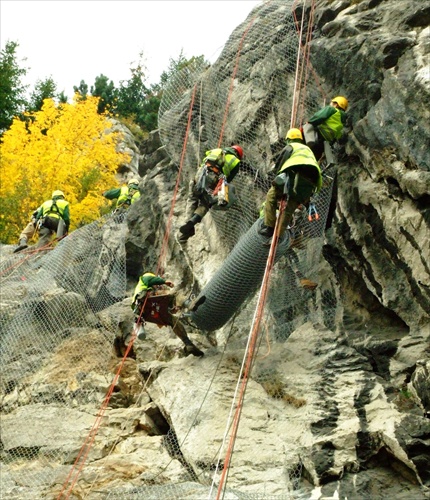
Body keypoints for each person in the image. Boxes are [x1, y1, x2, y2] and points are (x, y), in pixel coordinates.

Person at [259, 128, 322, 239]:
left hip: (295, 176)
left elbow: (280, 164)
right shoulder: (308, 150)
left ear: (289, 139)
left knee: (271, 195)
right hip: (310, 184)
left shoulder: (291, 147)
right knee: (289, 209)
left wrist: (275, 179)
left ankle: (269, 228)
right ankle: (278, 237)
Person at [178, 144, 243, 243]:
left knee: (192, 198)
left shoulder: (217, 150)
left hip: (201, 174)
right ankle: (193, 221)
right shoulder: (236, 161)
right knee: (205, 203)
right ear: (238, 155)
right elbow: (227, 180)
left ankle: (187, 226)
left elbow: (204, 160)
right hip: (215, 179)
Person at [131, 272, 204, 357]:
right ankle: (189, 304)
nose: (157, 287)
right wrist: (164, 282)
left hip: (146, 314)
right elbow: (151, 280)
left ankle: (188, 344)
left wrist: (172, 309)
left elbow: (164, 307)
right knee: (175, 293)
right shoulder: (145, 278)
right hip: (143, 299)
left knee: (173, 321)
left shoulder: (155, 298)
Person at [303, 96, 348, 161]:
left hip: (320, 132)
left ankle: (310, 142)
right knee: (314, 157)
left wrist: (310, 121)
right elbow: (338, 135)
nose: (330, 104)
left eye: (332, 103)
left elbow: (319, 116)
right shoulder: (342, 120)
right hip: (327, 140)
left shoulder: (332, 110)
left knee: (307, 125)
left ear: (336, 104)